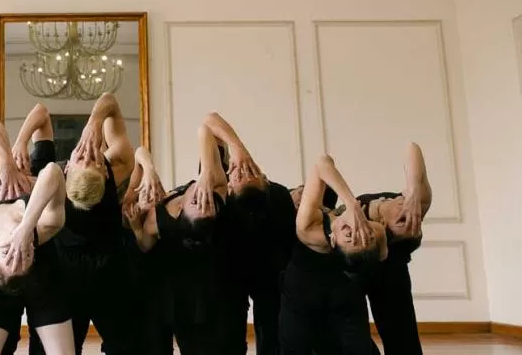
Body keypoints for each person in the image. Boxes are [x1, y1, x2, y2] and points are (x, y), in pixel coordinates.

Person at [16, 96, 139, 355]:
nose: (86, 152)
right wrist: (95, 122)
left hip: (105, 276)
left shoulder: (52, 181)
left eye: (85, 158)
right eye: (88, 158)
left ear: (67, 168)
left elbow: (40, 115)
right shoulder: (114, 168)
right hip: (70, 278)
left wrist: (19, 142)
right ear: (106, 175)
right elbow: (109, 101)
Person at [124, 121, 235, 355]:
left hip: (190, 290)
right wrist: (206, 174)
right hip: (176, 283)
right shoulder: (216, 195)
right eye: (205, 201)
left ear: (183, 212)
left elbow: (144, 244)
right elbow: (205, 127)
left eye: (197, 203)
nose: (200, 195)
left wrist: (136, 228)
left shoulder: (158, 219)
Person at [0, 162, 73, 355]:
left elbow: (53, 170)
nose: (18, 248)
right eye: (26, 254)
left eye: (8, 253)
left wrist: (26, 227)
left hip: (43, 281)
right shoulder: (48, 225)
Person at [206, 111, 296, 355]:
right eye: (240, 172)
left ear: (266, 180)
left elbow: (287, 246)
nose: (241, 169)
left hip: (268, 268)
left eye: (247, 173)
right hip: (229, 268)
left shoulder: (278, 196)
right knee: (229, 336)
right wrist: (237, 147)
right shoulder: (220, 188)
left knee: (271, 332)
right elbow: (209, 120)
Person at [279, 155, 388, 355]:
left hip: (339, 292)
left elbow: (320, 165)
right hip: (301, 296)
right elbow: (324, 160)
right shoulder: (374, 232)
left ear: (332, 239)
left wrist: (351, 205)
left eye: (349, 239)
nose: (354, 231)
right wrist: (353, 206)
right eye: (361, 235)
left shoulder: (310, 229)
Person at [356, 142, 432, 355]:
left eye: (403, 224)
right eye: (411, 219)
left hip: (386, 269)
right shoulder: (415, 202)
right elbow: (412, 147)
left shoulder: (390, 251)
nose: (405, 216)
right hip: (358, 269)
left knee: (401, 337)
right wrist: (415, 189)